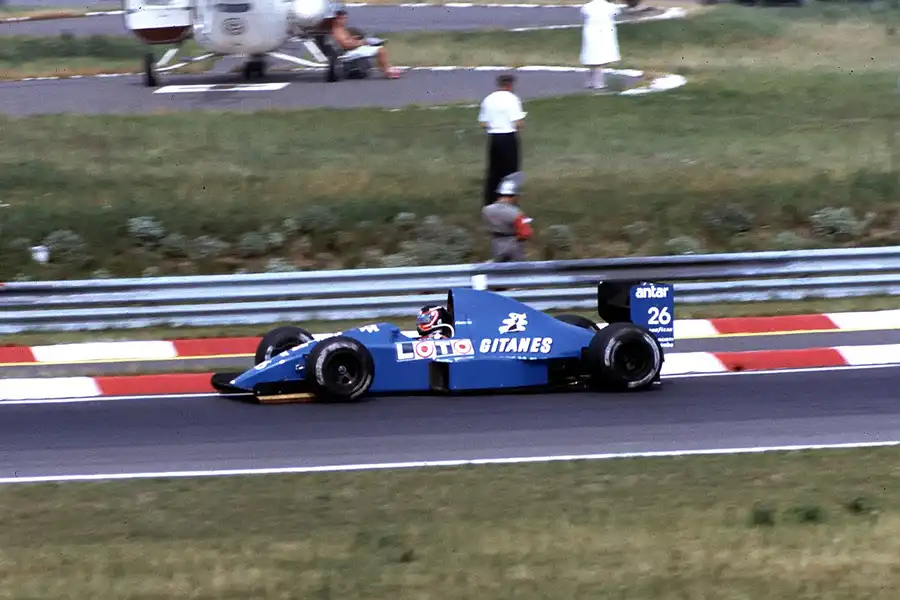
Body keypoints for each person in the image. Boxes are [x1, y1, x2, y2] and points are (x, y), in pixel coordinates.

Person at [478, 74, 527, 206]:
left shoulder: (488, 99)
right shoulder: (512, 99)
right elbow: (518, 123)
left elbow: (483, 123)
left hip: (494, 138)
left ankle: (490, 202)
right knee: (511, 173)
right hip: (508, 137)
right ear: (510, 85)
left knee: (494, 171)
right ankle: (508, 203)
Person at [330, 9, 401, 79]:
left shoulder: (341, 29)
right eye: (342, 18)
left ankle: (385, 68)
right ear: (337, 19)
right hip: (346, 54)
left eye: (345, 18)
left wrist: (355, 39)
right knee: (381, 50)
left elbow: (347, 41)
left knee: (378, 46)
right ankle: (388, 71)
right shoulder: (337, 31)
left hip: (350, 50)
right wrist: (363, 42)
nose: (344, 21)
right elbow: (346, 45)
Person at [481, 172, 533, 262]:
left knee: (497, 271)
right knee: (517, 271)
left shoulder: (486, 210)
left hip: (496, 244)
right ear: (513, 196)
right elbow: (525, 233)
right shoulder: (517, 213)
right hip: (514, 246)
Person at [579, 0, 623, 91]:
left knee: (592, 56)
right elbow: (616, 13)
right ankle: (598, 82)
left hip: (590, 32)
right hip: (605, 32)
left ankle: (591, 80)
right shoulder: (610, 7)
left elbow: (583, 15)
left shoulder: (587, 7)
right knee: (600, 58)